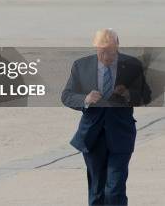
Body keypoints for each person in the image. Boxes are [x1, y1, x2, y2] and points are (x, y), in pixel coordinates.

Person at [61, 29, 151, 205]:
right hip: (92, 137)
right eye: (102, 52)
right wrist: (85, 99)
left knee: (115, 189)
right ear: (95, 49)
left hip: (121, 134)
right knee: (96, 191)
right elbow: (66, 95)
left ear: (117, 47)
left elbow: (145, 95)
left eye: (110, 51)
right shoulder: (81, 66)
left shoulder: (132, 65)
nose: (106, 56)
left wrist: (127, 94)